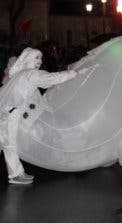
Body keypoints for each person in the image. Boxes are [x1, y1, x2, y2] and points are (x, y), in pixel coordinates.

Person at [0, 47, 83, 185]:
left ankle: (17, 173)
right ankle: (15, 175)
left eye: (41, 58)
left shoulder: (21, 73)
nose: (40, 61)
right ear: (29, 59)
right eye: (37, 58)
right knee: (9, 143)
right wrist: (74, 73)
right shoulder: (31, 74)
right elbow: (52, 78)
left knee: (8, 142)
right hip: (10, 114)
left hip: (8, 113)